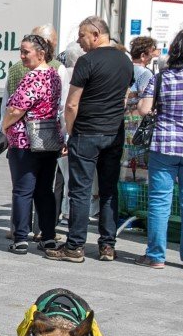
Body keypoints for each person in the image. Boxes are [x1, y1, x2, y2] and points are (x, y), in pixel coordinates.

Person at [49, 16, 132, 263]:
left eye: (82, 35)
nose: (79, 40)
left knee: (80, 191)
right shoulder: (125, 61)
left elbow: (72, 103)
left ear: (96, 34)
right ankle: (107, 245)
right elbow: (125, 97)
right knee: (108, 190)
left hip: (87, 132)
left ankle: (75, 246)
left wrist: (70, 131)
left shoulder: (87, 61)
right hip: (113, 132)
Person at [0, 34, 64, 253]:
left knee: (23, 190)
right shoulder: (54, 76)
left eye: (26, 51)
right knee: (45, 190)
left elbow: (16, 109)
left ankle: (20, 238)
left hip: (25, 140)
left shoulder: (32, 78)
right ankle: (48, 236)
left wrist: (4, 127)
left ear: (41, 53)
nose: (22, 56)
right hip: (48, 138)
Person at [128, 36, 158, 103]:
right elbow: (145, 99)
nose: (152, 55)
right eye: (151, 52)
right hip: (135, 111)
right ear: (143, 56)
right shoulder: (146, 73)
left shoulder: (124, 68)